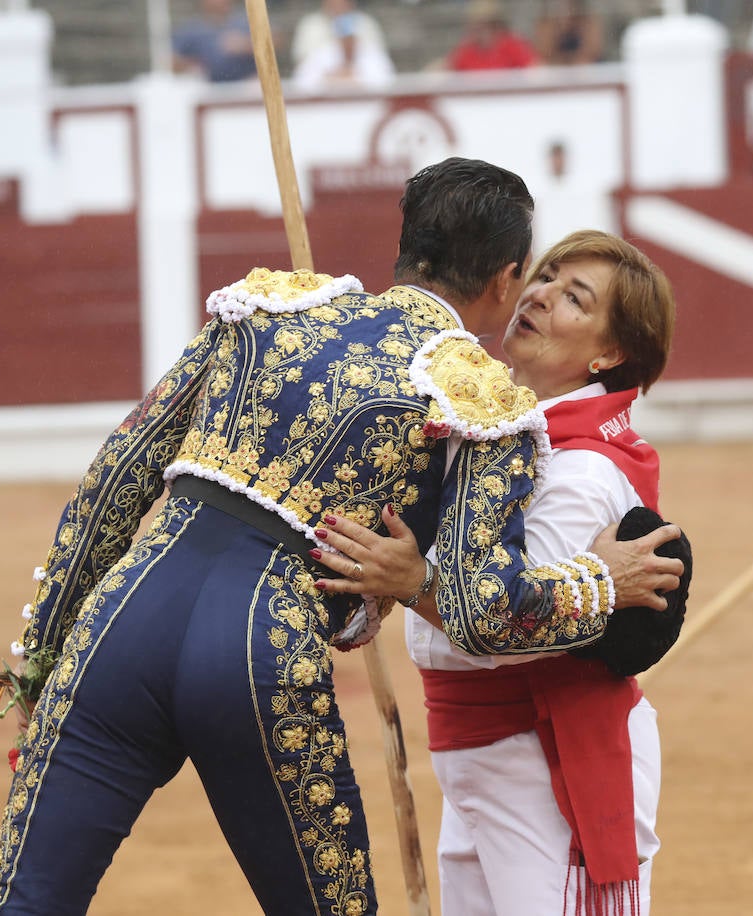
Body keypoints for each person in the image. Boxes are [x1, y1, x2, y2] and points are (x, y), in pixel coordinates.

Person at [0, 158, 684, 915]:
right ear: (505, 279)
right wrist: (598, 583)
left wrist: (43, 663)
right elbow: (485, 612)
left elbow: (112, 485)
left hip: (122, 623)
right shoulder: (479, 399)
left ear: (406, 242)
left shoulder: (266, 310)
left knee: (24, 906)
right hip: (258, 648)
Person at [310, 230, 679, 914]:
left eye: (576, 298)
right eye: (546, 277)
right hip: (481, 754)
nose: (540, 295)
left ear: (610, 353)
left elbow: (519, 623)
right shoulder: (492, 435)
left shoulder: (579, 470)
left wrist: (412, 584)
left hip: (548, 756)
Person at [293, 10, 396, 93]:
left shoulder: (372, 53)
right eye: (344, 38)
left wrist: (353, 77)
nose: (347, 43)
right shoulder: (322, 53)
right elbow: (301, 82)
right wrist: (331, 79)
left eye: (350, 38)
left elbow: (388, 82)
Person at [171, 0, 256, 83]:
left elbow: (266, 50)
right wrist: (191, 65)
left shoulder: (246, 22)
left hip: (245, 86)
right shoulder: (191, 29)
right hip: (207, 88)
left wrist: (245, 45)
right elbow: (172, 61)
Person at [291, 0, 389, 72]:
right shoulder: (310, 25)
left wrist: (353, 73)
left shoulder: (367, 24)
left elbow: (380, 67)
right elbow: (303, 69)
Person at [447, 0, 539, 73]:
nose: (478, 30)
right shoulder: (466, 48)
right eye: (475, 25)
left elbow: (534, 70)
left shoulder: (512, 44)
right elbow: (448, 71)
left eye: (483, 25)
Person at [533, 0, 604, 66]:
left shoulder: (588, 23)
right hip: (556, 70)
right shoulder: (547, 24)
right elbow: (543, 53)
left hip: (582, 69)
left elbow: (593, 53)